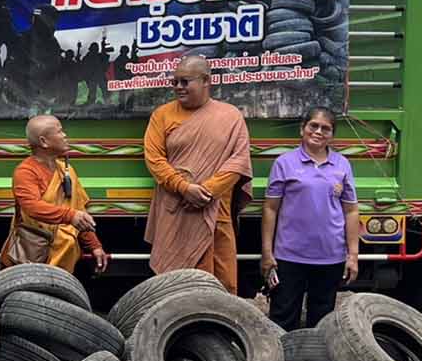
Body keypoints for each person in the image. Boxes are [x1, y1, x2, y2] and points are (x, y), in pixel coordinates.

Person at [143, 55, 253, 291]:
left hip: (215, 209)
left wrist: (206, 192)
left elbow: (239, 161)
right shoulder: (162, 115)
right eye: (175, 82)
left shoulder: (230, 116)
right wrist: (184, 188)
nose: (178, 87)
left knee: (221, 284)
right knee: (175, 284)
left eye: (185, 81)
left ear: (206, 81)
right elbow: (154, 159)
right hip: (176, 208)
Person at [261, 107, 360, 330]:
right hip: (289, 256)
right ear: (302, 129)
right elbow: (270, 209)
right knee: (282, 318)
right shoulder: (284, 163)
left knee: (322, 321)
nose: (318, 132)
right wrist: (267, 253)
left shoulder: (342, 165)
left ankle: (314, 355)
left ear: (332, 135)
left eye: (326, 128)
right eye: (313, 126)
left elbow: (351, 211)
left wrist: (353, 255)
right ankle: (282, 354)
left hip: (330, 257)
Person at [2, 115, 109, 275]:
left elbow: (79, 211)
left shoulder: (67, 171)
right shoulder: (25, 172)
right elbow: (32, 207)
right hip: (35, 254)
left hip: (65, 256)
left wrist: (94, 245)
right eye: (59, 131)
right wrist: (70, 216)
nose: (65, 135)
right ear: (44, 141)